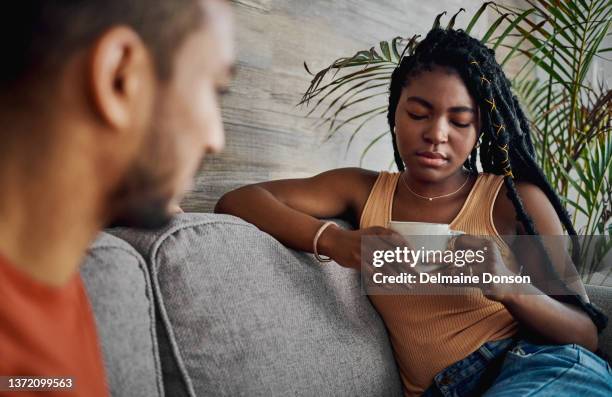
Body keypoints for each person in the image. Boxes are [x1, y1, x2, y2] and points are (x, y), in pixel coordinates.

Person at [215, 27, 612, 396]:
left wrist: (510, 287)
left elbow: (584, 334)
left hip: (534, 367)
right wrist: (336, 241)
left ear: (480, 130)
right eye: (418, 114)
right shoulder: (363, 190)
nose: (436, 134)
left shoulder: (510, 201)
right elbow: (239, 200)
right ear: (395, 113)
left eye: (459, 121)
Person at [0, 1, 234, 396]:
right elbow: (245, 201)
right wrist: (334, 241)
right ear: (120, 76)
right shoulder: (366, 198)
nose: (216, 140)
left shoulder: (53, 278)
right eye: (216, 88)